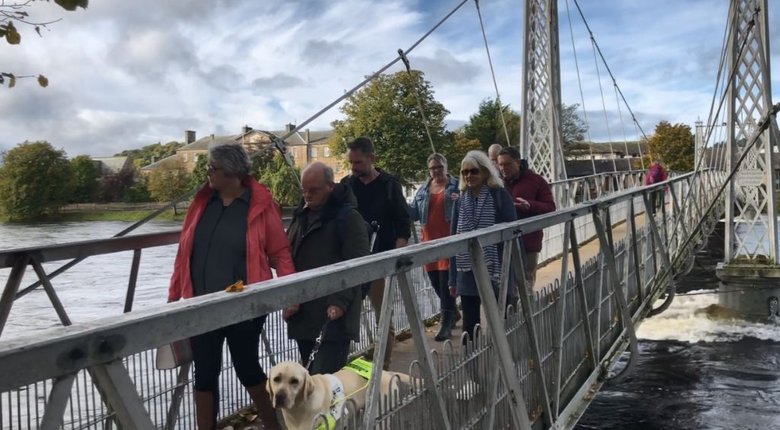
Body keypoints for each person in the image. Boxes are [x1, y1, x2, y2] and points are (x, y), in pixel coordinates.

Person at [168, 143, 295, 430]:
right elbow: (185, 251)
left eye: (212, 168)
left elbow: (280, 252)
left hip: (245, 305)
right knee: (205, 373)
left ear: (231, 173)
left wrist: (290, 295)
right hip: (202, 304)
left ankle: (273, 425)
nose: (207, 173)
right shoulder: (202, 203)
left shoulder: (259, 205)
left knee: (247, 367)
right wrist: (175, 293)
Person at [283, 162, 370, 373]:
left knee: (326, 383)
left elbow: (357, 265)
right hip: (303, 314)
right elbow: (288, 256)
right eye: (304, 190)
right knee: (312, 382)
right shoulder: (300, 216)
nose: (307, 195)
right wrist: (288, 297)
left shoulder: (348, 218)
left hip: (332, 317)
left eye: (313, 190)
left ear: (330, 187)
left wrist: (339, 303)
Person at [340, 136, 411, 370]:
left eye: (358, 163)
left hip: (380, 260)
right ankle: (342, 365)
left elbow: (403, 222)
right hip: (352, 261)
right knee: (342, 314)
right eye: (351, 163)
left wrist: (397, 258)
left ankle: (383, 366)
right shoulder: (347, 185)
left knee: (383, 317)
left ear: (371, 158)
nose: (353, 168)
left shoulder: (390, 185)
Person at [448, 150, 517, 342]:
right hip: (467, 270)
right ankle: (472, 364)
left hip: (496, 269)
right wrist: (452, 278)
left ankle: (503, 361)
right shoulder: (460, 201)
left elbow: (513, 234)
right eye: (464, 172)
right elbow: (454, 240)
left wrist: (513, 275)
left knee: (501, 319)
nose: (469, 176)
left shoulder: (499, 196)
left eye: (474, 171)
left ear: (485, 172)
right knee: (470, 325)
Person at [408, 153, 460, 341]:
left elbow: (465, 209)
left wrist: (459, 200)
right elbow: (414, 214)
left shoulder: (456, 187)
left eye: (439, 167)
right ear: (428, 170)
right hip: (428, 245)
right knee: (436, 285)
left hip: (448, 243)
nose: (436, 171)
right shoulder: (423, 190)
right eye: (433, 168)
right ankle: (453, 312)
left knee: (447, 285)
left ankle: (446, 324)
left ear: (446, 167)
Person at [496, 147, 555, 290]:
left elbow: (550, 207)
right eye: (500, 164)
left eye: (507, 164)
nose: (503, 168)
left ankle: (526, 312)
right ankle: (511, 312)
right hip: (503, 243)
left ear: (518, 162)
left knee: (525, 285)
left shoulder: (536, 181)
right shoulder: (496, 183)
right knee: (505, 286)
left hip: (528, 241)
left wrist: (530, 205)